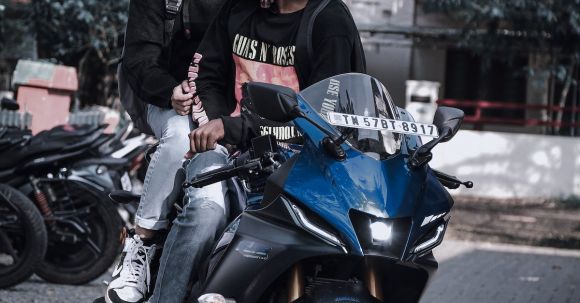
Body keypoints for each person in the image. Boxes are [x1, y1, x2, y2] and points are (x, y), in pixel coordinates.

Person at [146, 0, 366, 302]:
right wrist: (218, 125)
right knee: (204, 214)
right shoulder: (237, 10)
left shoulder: (328, 22)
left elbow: (324, 110)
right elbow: (204, 75)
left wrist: (235, 126)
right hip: (227, 150)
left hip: (301, 160)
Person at [105, 1, 225, 303]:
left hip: (227, 107)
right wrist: (170, 90)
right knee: (180, 137)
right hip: (166, 99)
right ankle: (142, 242)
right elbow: (138, 58)